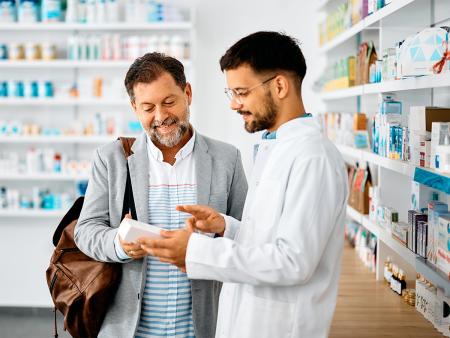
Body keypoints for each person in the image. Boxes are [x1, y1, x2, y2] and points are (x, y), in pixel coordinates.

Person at [138, 31, 349, 338]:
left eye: (241, 92)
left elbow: (293, 262)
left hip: (280, 328)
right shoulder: (274, 146)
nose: (234, 105)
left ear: (279, 86)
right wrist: (226, 227)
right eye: (231, 94)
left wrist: (195, 252)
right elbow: (270, 239)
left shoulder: (313, 157)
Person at [74, 52, 248, 338]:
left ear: (187, 93)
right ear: (134, 108)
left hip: (202, 326)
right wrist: (119, 244)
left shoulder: (226, 158)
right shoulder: (111, 159)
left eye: (169, 102)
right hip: (130, 329)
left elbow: (246, 234)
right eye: (148, 107)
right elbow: (86, 231)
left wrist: (219, 229)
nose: (161, 116)